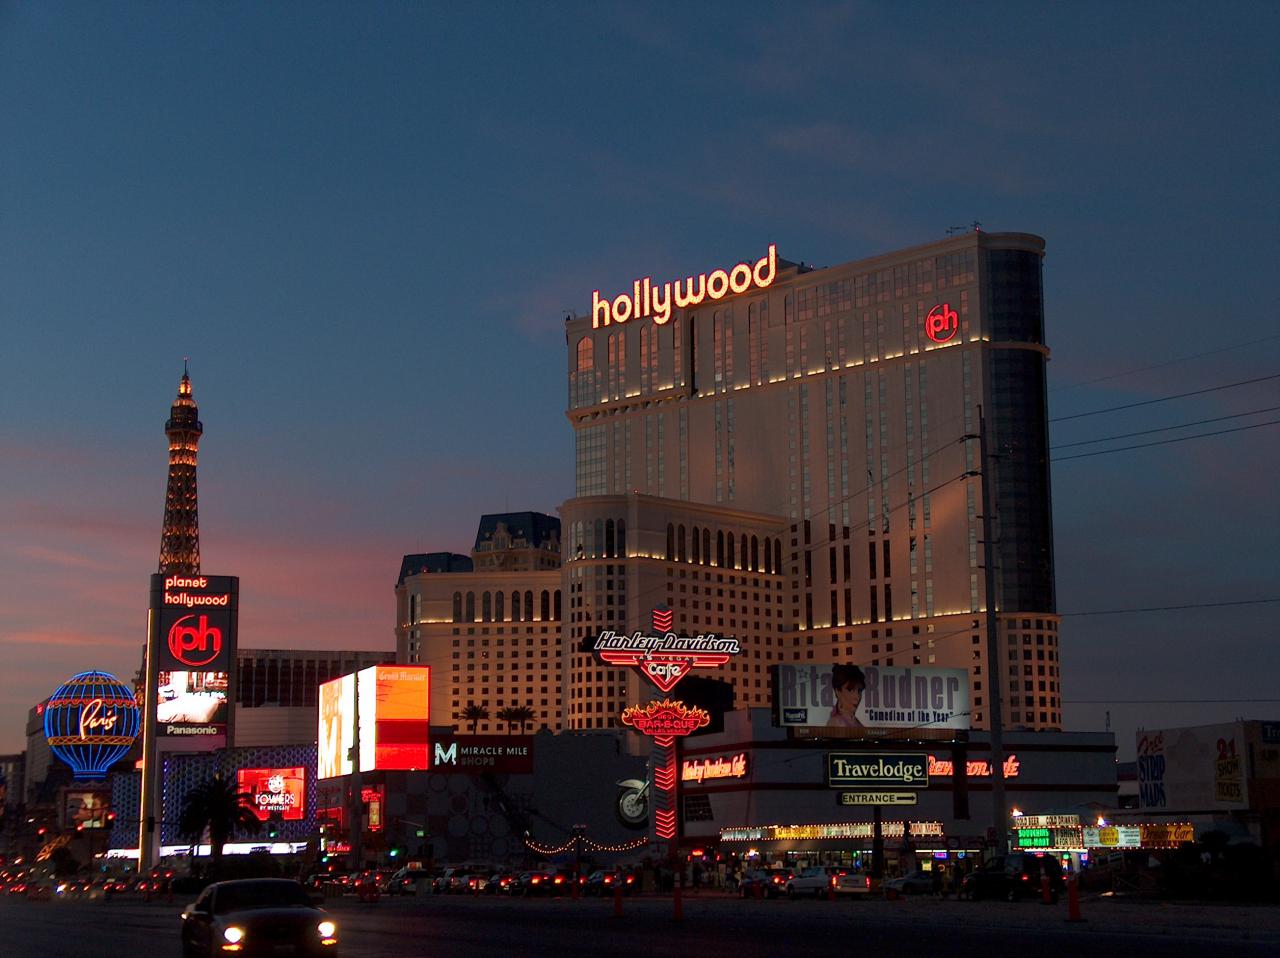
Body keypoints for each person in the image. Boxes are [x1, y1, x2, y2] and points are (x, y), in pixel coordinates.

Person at [826, 664, 866, 729]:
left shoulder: (853, 720)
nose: (857, 697)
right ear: (838, 691)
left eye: (859, 690)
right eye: (850, 690)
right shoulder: (837, 723)